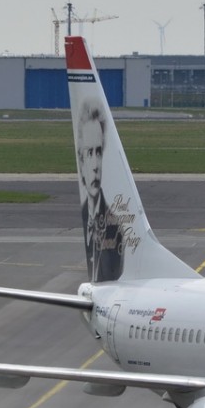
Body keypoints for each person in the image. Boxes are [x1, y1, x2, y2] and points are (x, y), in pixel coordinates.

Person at [75, 101, 124, 281]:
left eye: (98, 152)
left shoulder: (115, 227)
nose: (95, 165)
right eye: (89, 153)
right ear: (80, 161)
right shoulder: (83, 213)